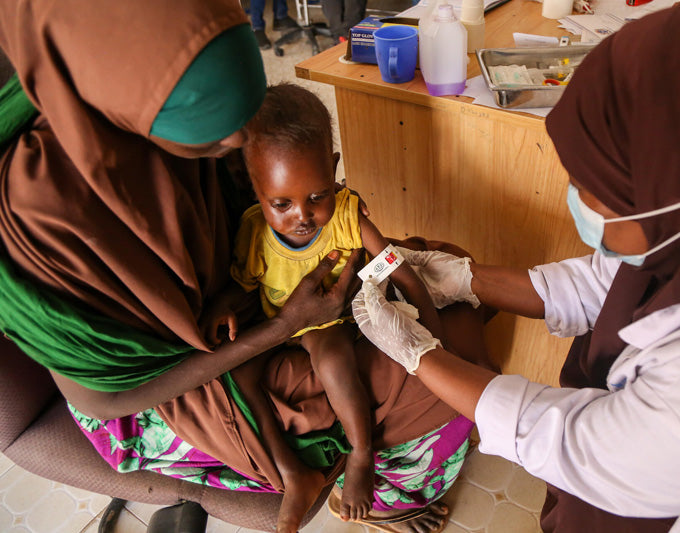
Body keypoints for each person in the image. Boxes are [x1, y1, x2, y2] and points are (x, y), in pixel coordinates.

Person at [0, 2, 492, 533]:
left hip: (250, 311)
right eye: (215, 136)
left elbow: (291, 228)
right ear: (139, 116)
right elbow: (105, 399)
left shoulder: (234, 154)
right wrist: (281, 325)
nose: (237, 145)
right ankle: (383, 495)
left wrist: (253, 298)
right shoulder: (43, 211)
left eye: (243, 119)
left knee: (449, 282)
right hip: (171, 383)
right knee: (421, 380)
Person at [352, 1, 680, 532]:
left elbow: (567, 441)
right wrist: (467, 278)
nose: (578, 201)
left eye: (595, 193)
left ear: (676, 201)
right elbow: (608, 282)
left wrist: (416, 353)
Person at [200, 83, 445, 524]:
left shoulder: (348, 216)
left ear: (332, 171)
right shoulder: (253, 230)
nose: (303, 215)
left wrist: (431, 323)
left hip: (323, 326)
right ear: (256, 190)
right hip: (277, 323)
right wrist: (226, 304)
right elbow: (246, 281)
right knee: (239, 374)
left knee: (333, 357)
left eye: (317, 195)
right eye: (282, 203)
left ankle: (362, 452)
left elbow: (395, 267)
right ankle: (295, 474)